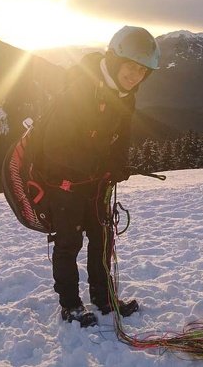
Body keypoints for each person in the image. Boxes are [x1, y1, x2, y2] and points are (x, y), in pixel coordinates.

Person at [39, 26, 161, 327]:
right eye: (132, 66)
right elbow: (53, 147)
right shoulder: (80, 90)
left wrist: (118, 164)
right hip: (63, 180)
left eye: (143, 70)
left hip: (95, 180)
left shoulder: (125, 96)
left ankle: (103, 298)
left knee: (102, 237)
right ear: (115, 58)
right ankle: (70, 305)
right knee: (69, 241)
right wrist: (97, 165)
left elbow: (121, 138)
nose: (136, 75)